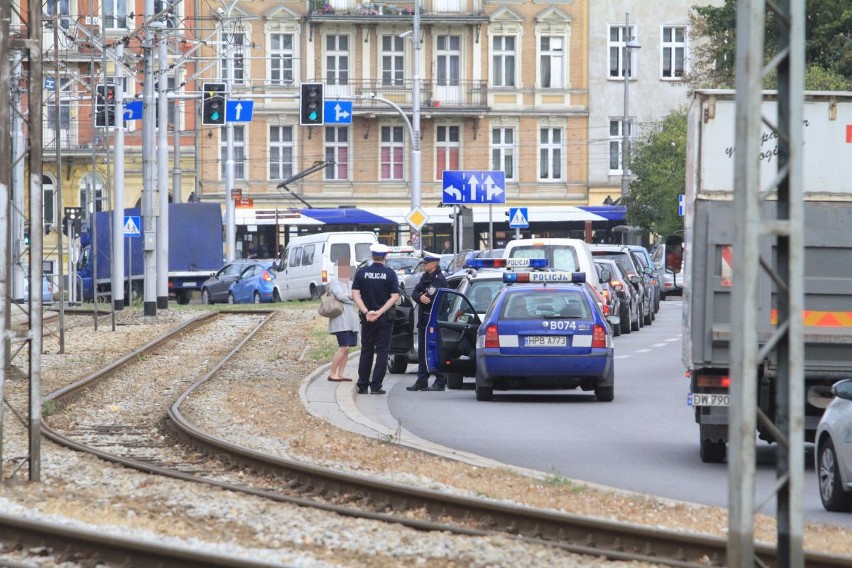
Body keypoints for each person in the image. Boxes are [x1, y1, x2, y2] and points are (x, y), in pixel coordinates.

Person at [352, 243, 400, 395]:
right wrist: (379, 312)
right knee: (382, 352)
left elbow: (355, 294)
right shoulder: (390, 274)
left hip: (367, 319)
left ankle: (363, 385)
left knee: (366, 350)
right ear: (385, 257)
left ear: (372, 256)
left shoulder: (362, 272)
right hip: (384, 318)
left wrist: (367, 312)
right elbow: (395, 297)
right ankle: (376, 386)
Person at [406, 252, 449, 392]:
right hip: (425, 319)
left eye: (426, 263)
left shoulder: (439, 279)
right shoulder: (425, 277)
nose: (423, 265)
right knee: (423, 352)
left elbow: (431, 297)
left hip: (434, 321)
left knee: (435, 351)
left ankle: (440, 380)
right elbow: (415, 293)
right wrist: (419, 297)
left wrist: (421, 297)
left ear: (434, 264)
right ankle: (422, 380)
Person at [327, 258, 358, 382]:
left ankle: (341, 373)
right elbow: (340, 296)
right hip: (340, 315)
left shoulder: (350, 281)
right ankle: (332, 373)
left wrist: (350, 296)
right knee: (343, 345)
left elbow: (355, 295)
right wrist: (351, 296)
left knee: (348, 346)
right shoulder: (335, 280)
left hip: (350, 315)